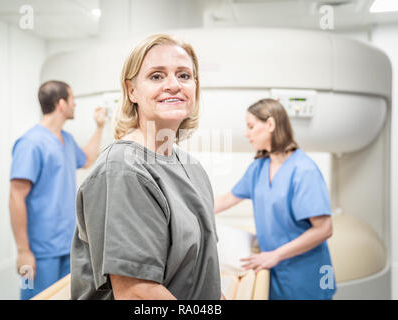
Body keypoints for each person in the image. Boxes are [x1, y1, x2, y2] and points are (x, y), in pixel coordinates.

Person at [70, 34, 222, 300]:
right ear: (132, 91)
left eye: (184, 75)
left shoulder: (193, 168)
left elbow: (201, 271)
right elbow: (137, 294)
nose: (174, 85)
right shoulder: (123, 170)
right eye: (156, 76)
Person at [214, 98, 336, 300]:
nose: (247, 133)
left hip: (306, 273)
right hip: (275, 270)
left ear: (270, 124)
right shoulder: (259, 168)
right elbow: (228, 199)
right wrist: (192, 213)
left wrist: (275, 255)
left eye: (251, 126)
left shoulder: (304, 171)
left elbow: (324, 228)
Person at [9, 80, 106, 300]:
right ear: (61, 104)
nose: (75, 105)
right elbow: (16, 197)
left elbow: (88, 158)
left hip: (67, 246)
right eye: (72, 100)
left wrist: (100, 127)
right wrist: (23, 251)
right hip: (38, 252)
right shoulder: (30, 143)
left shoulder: (67, 140)